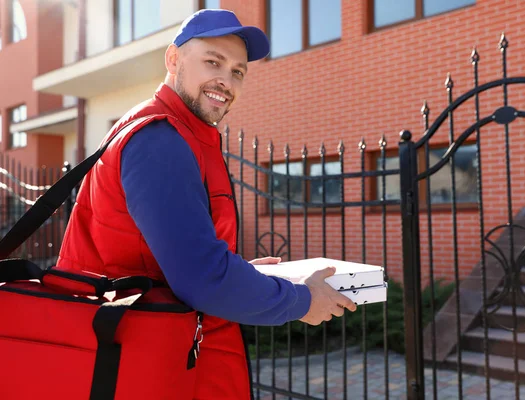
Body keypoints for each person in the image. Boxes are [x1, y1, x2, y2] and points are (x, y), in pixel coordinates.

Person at [55, 8, 357, 400]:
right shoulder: (159, 141)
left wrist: (242, 273)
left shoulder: (183, 134)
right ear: (173, 59)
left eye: (237, 71)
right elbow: (200, 277)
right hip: (143, 367)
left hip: (157, 356)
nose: (226, 81)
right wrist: (302, 300)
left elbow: (175, 260)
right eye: (212, 62)